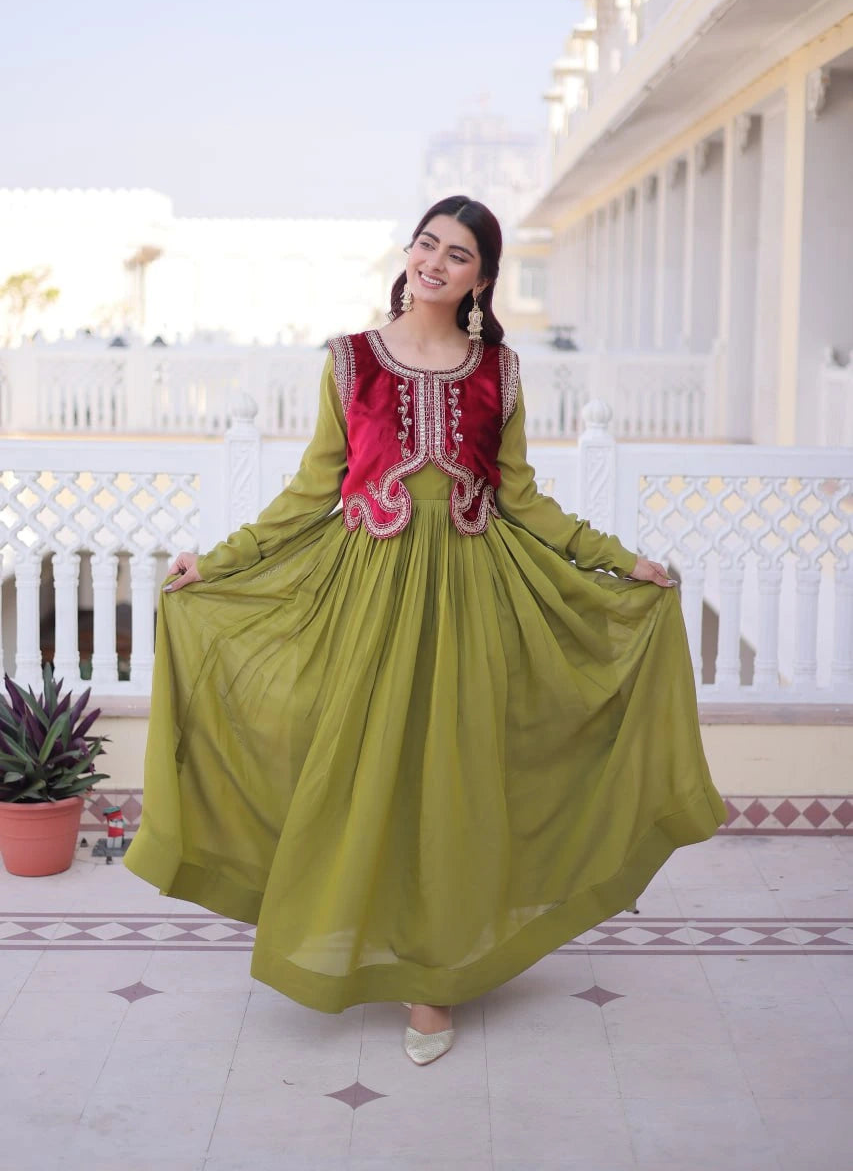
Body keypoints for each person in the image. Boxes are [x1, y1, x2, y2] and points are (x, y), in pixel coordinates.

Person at [124, 195, 727, 1067]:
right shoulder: (348, 362)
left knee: (453, 775)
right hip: (366, 596)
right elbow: (310, 491)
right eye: (426, 244)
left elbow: (519, 496)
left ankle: (432, 975)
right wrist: (215, 563)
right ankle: (347, 928)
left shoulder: (499, 372)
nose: (434, 262)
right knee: (356, 769)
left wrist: (620, 561)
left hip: (472, 597)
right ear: (408, 252)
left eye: (458, 255)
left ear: (482, 277)